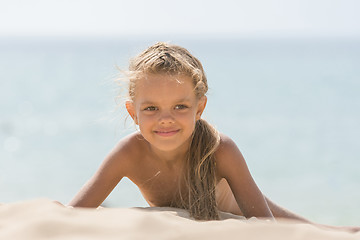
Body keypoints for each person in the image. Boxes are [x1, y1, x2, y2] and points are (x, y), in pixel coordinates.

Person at [69, 42, 359, 231]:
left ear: (200, 108)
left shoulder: (220, 150)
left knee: (312, 230)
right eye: (151, 108)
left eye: (180, 106)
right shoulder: (129, 153)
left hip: (237, 204)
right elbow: (72, 214)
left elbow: (265, 226)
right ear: (133, 113)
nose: (165, 118)